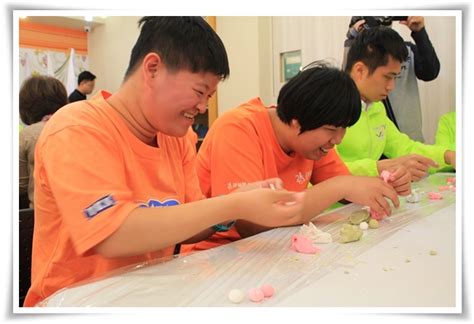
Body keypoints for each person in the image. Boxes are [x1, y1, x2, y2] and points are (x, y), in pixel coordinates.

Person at [24, 16, 306, 307]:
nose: (202, 107)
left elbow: (190, 222)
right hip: (74, 303)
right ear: (153, 69)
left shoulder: (177, 138)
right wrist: (234, 205)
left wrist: (235, 204)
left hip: (151, 295)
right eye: (199, 91)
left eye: (209, 96)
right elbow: (112, 235)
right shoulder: (77, 129)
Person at [181, 62, 404, 253]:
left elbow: (347, 191)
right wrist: (340, 187)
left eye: (343, 128)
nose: (338, 139)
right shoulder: (238, 129)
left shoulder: (313, 144)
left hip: (276, 248)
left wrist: (382, 184)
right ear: (296, 121)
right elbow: (251, 224)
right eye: (331, 129)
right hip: (215, 255)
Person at [337, 26, 455, 181]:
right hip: (332, 202)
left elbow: (403, 147)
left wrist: (447, 155)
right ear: (360, 71)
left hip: (362, 196)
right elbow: (323, 169)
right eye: (388, 77)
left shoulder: (376, 107)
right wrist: (380, 168)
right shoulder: (330, 105)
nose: (391, 87)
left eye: (395, 78)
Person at [342, 16, 440, 142]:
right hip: (369, 137)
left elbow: (430, 72)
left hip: (406, 136)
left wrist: (419, 33)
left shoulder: (404, 51)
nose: (390, 86)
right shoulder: (358, 52)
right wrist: (353, 37)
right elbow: (348, 78)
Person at [19, 75, 68, 208]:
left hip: (41, 215)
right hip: (80, 214)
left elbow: (20, 185)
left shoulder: (27, 135)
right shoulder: (76, 126)